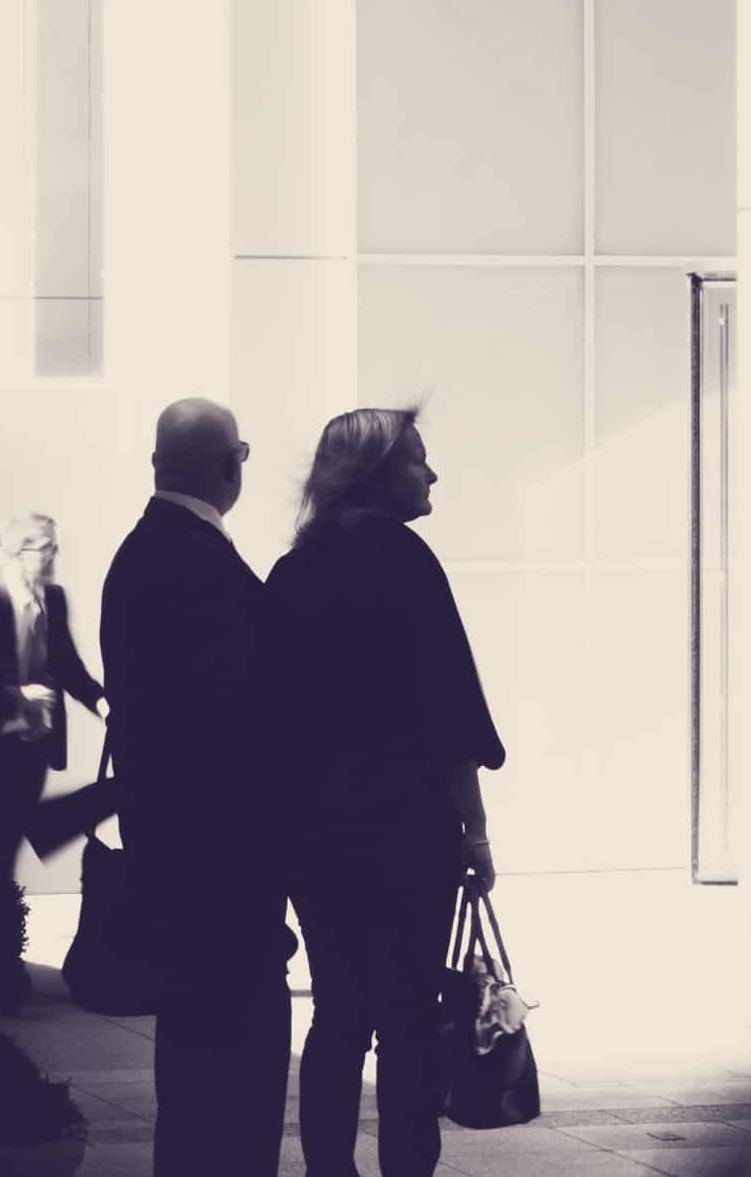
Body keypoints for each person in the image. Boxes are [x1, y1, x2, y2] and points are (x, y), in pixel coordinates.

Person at [263, 407, 504, 1177]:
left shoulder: (292, 571)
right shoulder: (409, 562)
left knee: (336, 1014)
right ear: (378, 473)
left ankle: (327, 1169)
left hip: (315, 837)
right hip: (408, 832)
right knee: (407, 1017)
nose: (432, 475)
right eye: (419, 461)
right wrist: (476, 832)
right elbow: (449, 714)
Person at [99, 398, 294, 1176]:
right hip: (223, 870)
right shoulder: (198, 565)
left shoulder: (141, 554)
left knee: (190, 1073)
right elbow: (233, 723)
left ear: (156, 464)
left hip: (173, 860)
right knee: (236, 1076)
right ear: (231, 465)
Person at [0, 512, 107, 1004]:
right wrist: (17, 697)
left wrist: (100, 701)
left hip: (35, 749)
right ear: (17, 554)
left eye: (54, 547)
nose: (54, 556)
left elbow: (67, 664)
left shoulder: (53, 601)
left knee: (0, 851)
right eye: (45, 548)